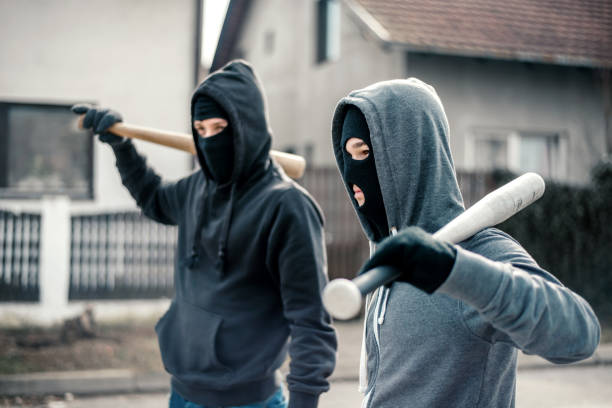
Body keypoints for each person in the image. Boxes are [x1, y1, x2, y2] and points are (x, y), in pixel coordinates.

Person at [72, 60, 337, 408]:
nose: (210, 139)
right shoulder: (198, 188)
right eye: (201, 129)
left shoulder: (286, 207)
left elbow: (310, 321)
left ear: (248, 126)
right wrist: (121, 146)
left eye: (220, 127)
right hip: (181, 393)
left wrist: (304, 402)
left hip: (247, 401)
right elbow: (153, 198)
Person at [330, 77, 601, 408]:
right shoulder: (397, 258)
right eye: (347, 156)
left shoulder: (482, 254)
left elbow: (580, 334)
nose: (352, 171)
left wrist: (451, 269)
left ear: (410, 154)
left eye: (366, 152)